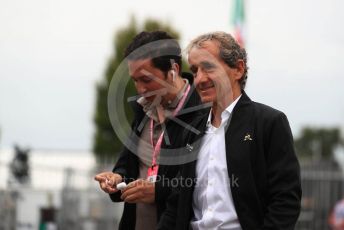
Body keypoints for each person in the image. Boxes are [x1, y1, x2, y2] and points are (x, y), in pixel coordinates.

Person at [158, 31, 302, 230]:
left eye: (208, 67)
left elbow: (285, 201)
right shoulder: (191, 131)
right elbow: (176, 205)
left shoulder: (269, 123)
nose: (199, 79)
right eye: (194, 71)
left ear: (238, 69)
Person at [94, 31, 202, 230]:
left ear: (173, 70)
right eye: (135, 80)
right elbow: (126, 166)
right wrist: (116, 180)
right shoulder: (143, 110)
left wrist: (158, 191)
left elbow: (207, 183)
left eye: (146, 79)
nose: (140, 89)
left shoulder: (203, 113)